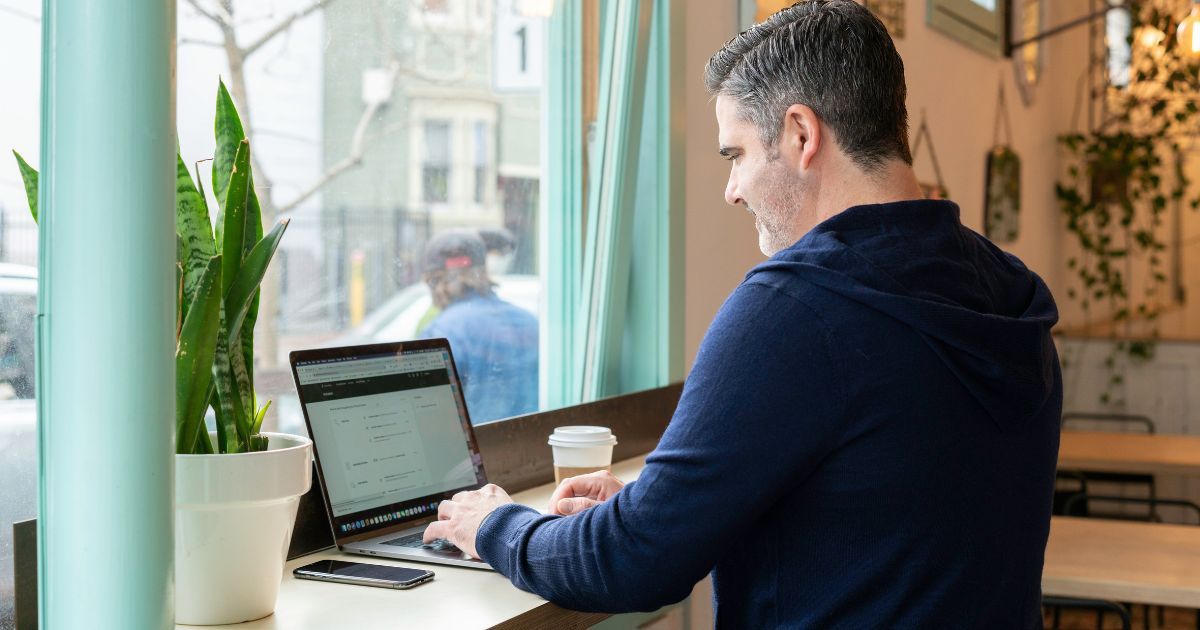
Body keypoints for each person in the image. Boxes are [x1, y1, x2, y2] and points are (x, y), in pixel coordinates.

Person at [424, 1, 1062, 626]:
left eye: (736, 155)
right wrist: (669, 507)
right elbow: (892, 513)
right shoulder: (1004, 294)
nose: (732, 190)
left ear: (801, 134)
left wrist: (493, 525)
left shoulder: (799, 307)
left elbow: (632, 562)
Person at [419, 230, 537, 424]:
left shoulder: (440, 333)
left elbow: (430, 418)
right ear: (482, 272)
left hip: (480, 450)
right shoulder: (530, 322)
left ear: (435, 281)